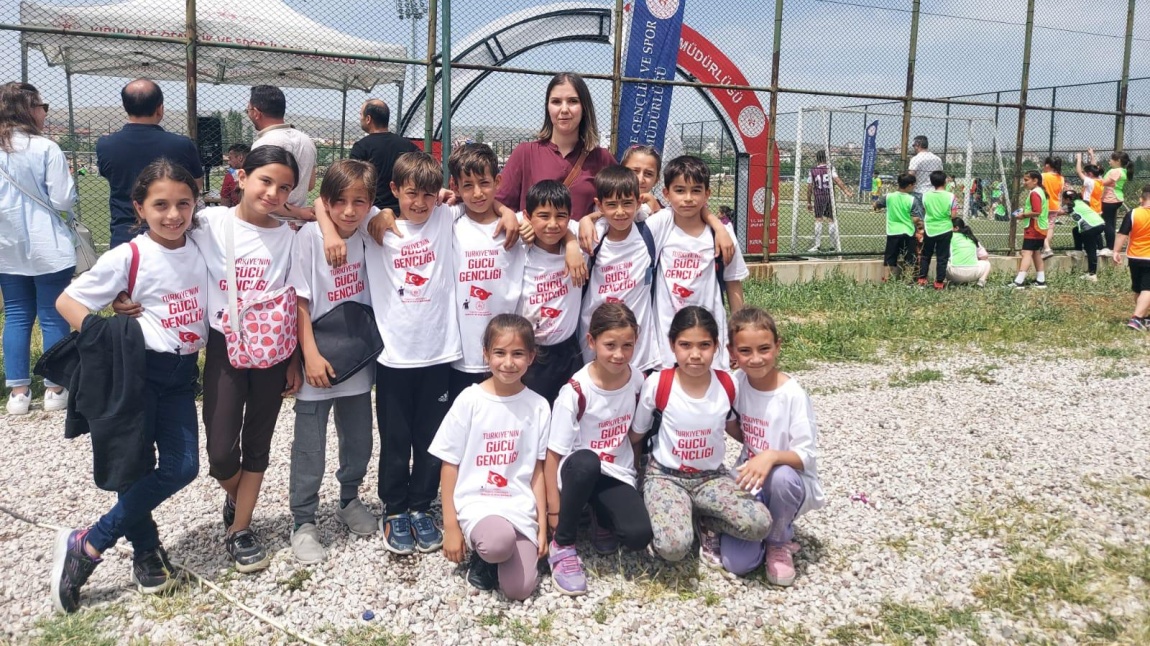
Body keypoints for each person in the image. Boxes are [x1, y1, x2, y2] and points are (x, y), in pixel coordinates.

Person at [121, 146, 302, 572]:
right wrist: (121, 290)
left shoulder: (293, 234)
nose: (273, 193)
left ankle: (240, 529)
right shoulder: (209, 223)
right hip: (225, 345)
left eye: (285, 187)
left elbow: (296, 300)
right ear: (242, 178)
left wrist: (292, 359)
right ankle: (237, 496)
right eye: (265, 181)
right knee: (221, 452)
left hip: (274, 350)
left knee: (258, 442)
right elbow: (156, 242)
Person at [51, 160, 207, 613]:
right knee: (135, 463)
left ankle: (88, 540)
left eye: (183, 203)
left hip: (181, 375)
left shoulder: (199, 245)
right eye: (160, 205)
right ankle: (144, 551)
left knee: (181, 466)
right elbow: (69, 300)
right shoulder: (128, 256)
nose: (174, 214)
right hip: (139, 371)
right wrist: (107, 339)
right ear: (140, 207)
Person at [285, 159, 379, 564]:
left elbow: (385, 211)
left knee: (359, 439)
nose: (349, 210)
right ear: (325, 202)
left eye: (359, 202)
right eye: (338, 202)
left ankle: (349, 498)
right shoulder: (307, 238)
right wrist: (309, 356)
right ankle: (303, 520)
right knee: (310, 446)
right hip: (318, 357)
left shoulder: (371, 231)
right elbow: (300, 301)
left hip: (356, 356)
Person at [631, 306, 770, 565]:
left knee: (760, 524)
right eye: (685, 345)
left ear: (717, 346)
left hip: (711, 478)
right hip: (665, 478)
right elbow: (636, 435)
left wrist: (771, 450)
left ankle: (707, 521)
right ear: (672, 345)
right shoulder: (658, 384)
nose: (695, 355)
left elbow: (732, 426)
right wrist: (633, 479)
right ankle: (676, 515)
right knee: (673, 548)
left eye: (704, 345)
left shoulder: (727, 384)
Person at [430, 314, 550, 600]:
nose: (508, 362)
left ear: (531, 357)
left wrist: (542, 527)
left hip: (518, 506)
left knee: (520, 591)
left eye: (518, 353)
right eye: (500, 353)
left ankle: (503, 554)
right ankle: (484, 556)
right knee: (498, 543)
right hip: (480, 502)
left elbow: (537, 471)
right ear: (486, 354)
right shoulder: (470, 401)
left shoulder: (539, 406)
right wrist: (450, 526)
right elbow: (449, 464)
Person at [545, 302, 652, 596]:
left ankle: (599, 515)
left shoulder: (639, 380)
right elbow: (553, 457)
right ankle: (564, 544)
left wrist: (635, 478)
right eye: (610, 345)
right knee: (587, 463)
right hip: (576, 472)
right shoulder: (576, 391)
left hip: (614, 471)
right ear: (591, 342)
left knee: (638, 536)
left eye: (627, 345)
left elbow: (634, 437)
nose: (619, 354)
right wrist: (554, 513)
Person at [717, 308, 824, 586]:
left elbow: (806, 456)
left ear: (778, 346)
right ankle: (760, 533)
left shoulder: (792, 395)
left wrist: (771, 456)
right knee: (737, 564)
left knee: (782, 477)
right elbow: (732, 423)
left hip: (788, 481)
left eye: (764, 349)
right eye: (745, 351)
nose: (755, 359)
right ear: (732, 352)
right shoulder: (736, 383)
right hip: (750, 478)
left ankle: (778, 540)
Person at [0, 82, 77, 415]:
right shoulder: (45, 147)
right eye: (42, 106)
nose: (45, 113)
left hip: (6, 245)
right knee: (51, 314)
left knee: (16, 315)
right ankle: (55, 387)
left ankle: (18, 392)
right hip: (48, 243)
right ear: (30, 108)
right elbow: (62, 198)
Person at [646, 156, 748, 370]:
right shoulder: (659, 226)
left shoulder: (722, 234)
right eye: (680, 190)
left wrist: (739, 333)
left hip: (710, 335)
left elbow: (733, 282)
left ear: (707, 194)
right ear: (666, 193)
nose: (688, 198)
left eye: (696, 190)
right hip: (667, 338)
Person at [447, 143, 526, 401]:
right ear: (455, 187)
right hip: (463, 355)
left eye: (484, 183)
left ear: (498, 181)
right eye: (467, 186)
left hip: (508, 354)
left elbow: (560, 226)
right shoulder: (450, 224)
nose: (478, 193)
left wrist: (569, 241)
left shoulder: (519, 227)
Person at [96, 78, 204, 249]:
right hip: (170, 232)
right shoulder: (181, 145)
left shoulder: (106, 145)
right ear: (160, 108)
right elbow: (196, 185)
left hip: (125, 233)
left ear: (126, 107)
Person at [495, 73, 615, 221]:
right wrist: (519, 221)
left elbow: (620, 206)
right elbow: (499, 204)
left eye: (572, 101)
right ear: (548, 107)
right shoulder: (525, 153)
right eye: (556, 102)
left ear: (584, 107)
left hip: (581, 244)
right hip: (532, 243)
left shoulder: (601, 158)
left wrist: (590, 219)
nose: (564, 109)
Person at [576, 166, 660, 372]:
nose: (620, 212)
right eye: (612, 205)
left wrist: (719, 227)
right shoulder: (592, 237)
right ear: (599, 205)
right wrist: (585, 221)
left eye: (627, 204)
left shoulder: (651, 231)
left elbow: (688, 209)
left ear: (638, 202)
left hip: (638, 350)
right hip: (596, 341)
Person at [518, 181, 585, 404]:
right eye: (544, 216)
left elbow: (602, 217)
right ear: (527, 216)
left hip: (568, 352)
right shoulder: (518, 248)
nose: (553, 224)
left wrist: (573, 243)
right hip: (531, 353)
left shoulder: (580, 243)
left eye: (561, 216)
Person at [248, 85, 318, 219]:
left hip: (269, 221)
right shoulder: (307, 140)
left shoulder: (263, 143)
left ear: (256, 112)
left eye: (248, 110)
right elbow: (310, 185)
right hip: (299, 222)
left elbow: (255, 191)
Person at [349, 99, 419, 211]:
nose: (360, 118)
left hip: (372, 211)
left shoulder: (361, 147)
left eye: (361, 114)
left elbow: (353, 182)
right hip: (404, 210)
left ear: (368, 119)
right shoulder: (408, 145)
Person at [1112, 185, 1150, 331]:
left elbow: (1122, 234)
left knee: (1139, 289)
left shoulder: (1133, 214)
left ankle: (1144, 317)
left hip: (1134, 256)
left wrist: (1116, 251)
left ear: (1141, 199)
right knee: (1148, 289)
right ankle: (1136, 319)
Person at [805, 150, 853, 253]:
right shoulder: (830, 168)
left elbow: (809, 187)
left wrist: (808, 201)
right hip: (829, 196)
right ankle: (832, 246)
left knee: (818, 219)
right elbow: (838, 181)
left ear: (817, 159)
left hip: (818, 197)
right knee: (831, 220)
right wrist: (846, 191)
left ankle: (817, 245)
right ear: (826, 158)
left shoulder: (812, 170)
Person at [917, 170, 955, 289]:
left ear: (932, 182)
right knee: (942, 257)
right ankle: (939, 282)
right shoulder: (951, 196)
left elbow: (924, 210)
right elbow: (953, 215)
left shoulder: (926, 195)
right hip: (945, 229)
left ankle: (922, 279)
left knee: (925, 255)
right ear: (944, 182)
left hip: (930, 228)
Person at [1011, 170, 1049, 289]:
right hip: (1041, 227)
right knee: (1036, 253)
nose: (1024, 182)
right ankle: (1041, 280)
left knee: (1026, 252)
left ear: (1035, 180)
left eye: (1026, 180)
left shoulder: (1034, 193)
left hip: (1034, 227)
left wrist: (1023, 215)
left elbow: (1037, 212)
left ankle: (1019, 281)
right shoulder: (1041, 192)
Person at [1093, 148, 1134, 256]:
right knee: (1106, 222)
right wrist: (1092, 157)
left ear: (1118, 161)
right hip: (1114, 199)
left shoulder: (1115, 171)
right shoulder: (1122, 171)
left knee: (1108, 223)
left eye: (1111, 159)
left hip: (1111, 199)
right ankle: (1105, 247)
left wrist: (1091, 179)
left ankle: (1110, 247)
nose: (1109, 161)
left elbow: (1104, 182)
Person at [880, 173, 919, 283]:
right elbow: (915, 218)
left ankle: (886, 279)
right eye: (914, 185)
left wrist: (876, 207)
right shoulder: (912, 199)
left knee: (890, 257)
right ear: (910, 185)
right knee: (910, 258)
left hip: (893, 232)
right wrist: (916, 221)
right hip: (908, 232)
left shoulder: (889, 196)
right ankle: (908, 281)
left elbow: (877, 204)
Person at [1061, 189, 1104, 282]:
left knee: (1091, 250)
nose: (1062, 200)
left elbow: (1057, 212)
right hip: (1100, 224)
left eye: (1063, 198)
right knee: (1076, 230)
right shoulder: (1081, 202)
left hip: (1090, 227)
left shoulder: (1069, 206)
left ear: (1067, 199)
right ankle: (1078, 251)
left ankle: (1092, 274)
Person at [946, 218, 991, 287]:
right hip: (973, 273)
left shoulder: (949, 236)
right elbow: (985, 256)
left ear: (956, 228)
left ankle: (945, 281)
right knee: (987, 263)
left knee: (942, 261)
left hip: (954, 273)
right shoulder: (971, 237)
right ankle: (981, 281)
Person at [620, 144, 664, 216]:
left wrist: (657, 213)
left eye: (648, 174)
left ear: (656, 180)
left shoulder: (664, 212)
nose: (640, 180)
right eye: (634, 171)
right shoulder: (606, 202)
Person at [1040, 157, 1064, 259]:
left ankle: (1047, 249)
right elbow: (1060, 193)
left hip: (1044, 205)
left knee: (1040, 227)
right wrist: (1060, 206)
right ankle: (1046, 248)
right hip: (1054, 206)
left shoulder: (1043, 176)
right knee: (1050, 227)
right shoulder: (1061, 178)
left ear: (1048, 165)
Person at [219, 143, 249, 208]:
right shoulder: (257, 172)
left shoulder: (230, 175)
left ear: (240, 158)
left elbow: (224, 203)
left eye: (230, 158)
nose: (229, 162)